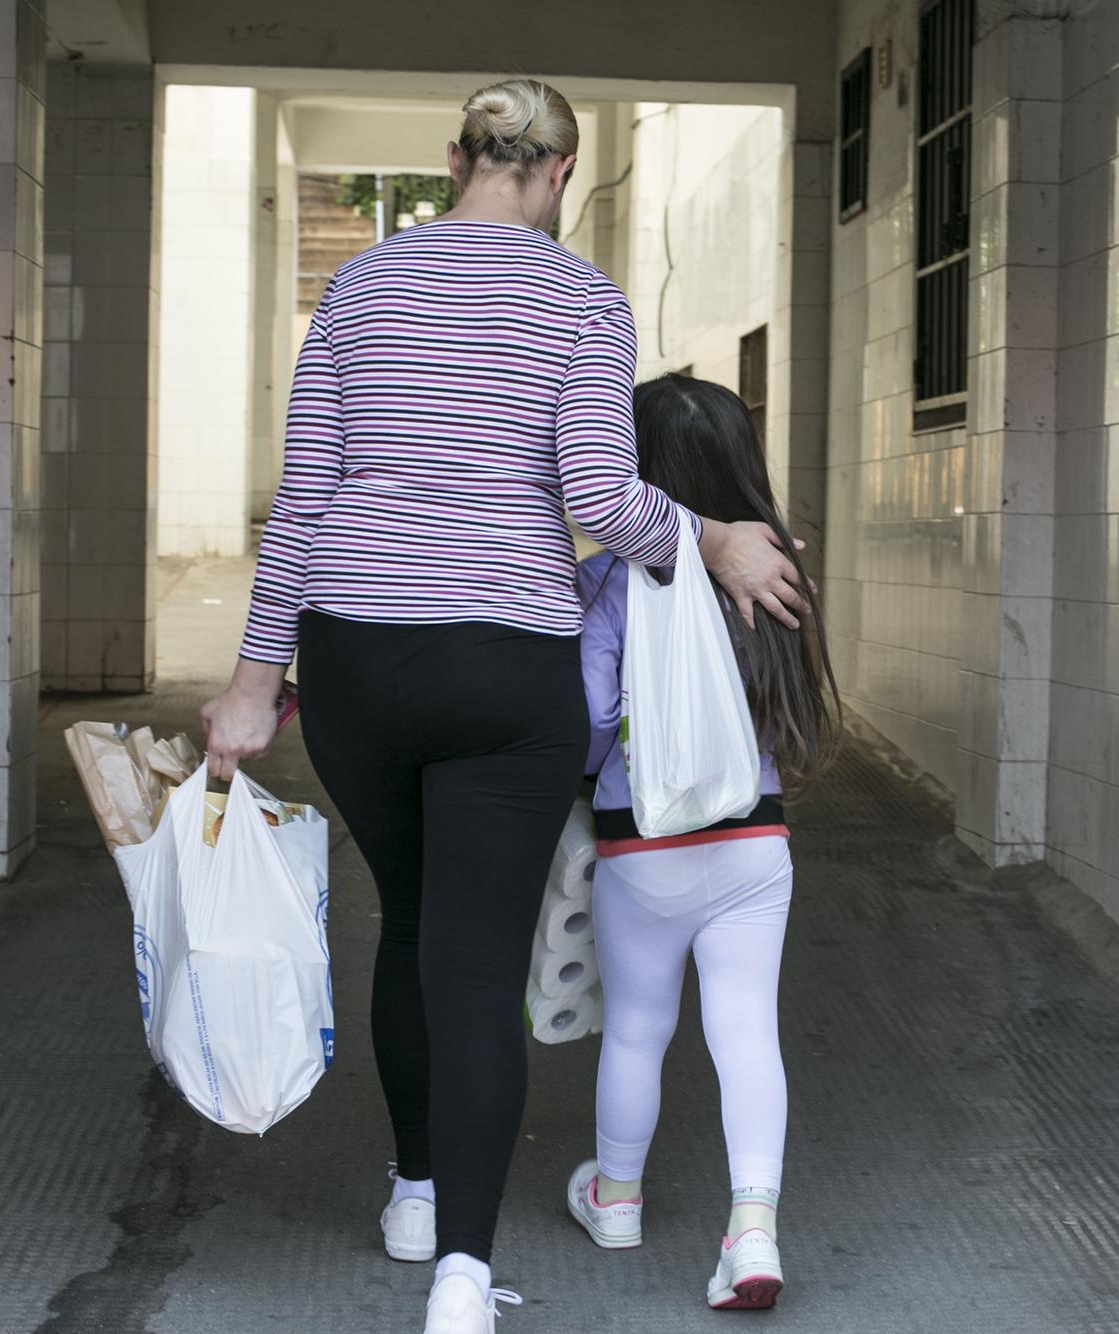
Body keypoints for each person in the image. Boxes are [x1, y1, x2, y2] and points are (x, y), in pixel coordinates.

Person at [199, 83, 808, 1334]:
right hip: (502, 658)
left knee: (410, 921)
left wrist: (258, 681)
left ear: (451, 161)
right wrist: (716, 541)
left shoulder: (362, 287)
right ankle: (461, 1278)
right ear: (563, 170)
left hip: (357, 655)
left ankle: (414, 1190)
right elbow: (602, 490)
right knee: (477, 965)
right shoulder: (578, 295)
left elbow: (302, 501)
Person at [564, 375, 839, 1312]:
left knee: (639, 1028)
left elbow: (595, 720)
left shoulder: (607, 579)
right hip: (755, 840)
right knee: (747, 1032)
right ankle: (752, 1231)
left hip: (641, 846)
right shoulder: (778, 569)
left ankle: (617, 1198)